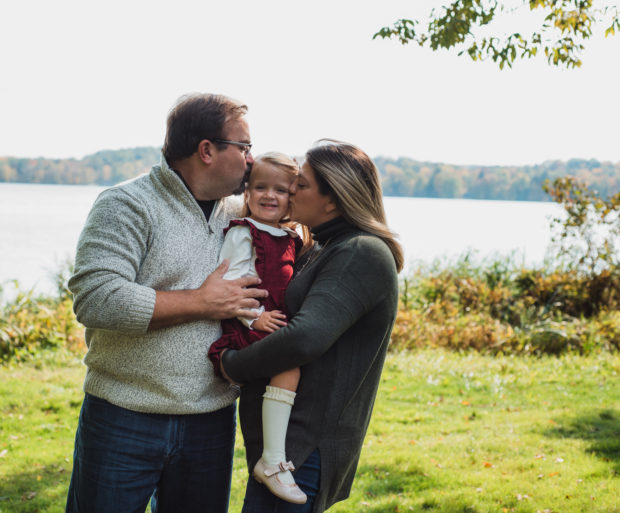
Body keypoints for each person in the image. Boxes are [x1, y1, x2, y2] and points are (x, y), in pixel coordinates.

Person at [65, 93, 268, 513]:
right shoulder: (126, 204)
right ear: (207, 150)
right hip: (123, 417)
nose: (252, 159)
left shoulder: (241, 214)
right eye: (244, 147)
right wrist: (202, 302)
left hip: (211, 421)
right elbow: (97, 298)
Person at [221, 140, 404, 513]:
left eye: (300, 185)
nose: (290, 192)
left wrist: (230, 365)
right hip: (282, 444)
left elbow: (304, 339)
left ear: (332, 200)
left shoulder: (360, 252)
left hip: (304, 448)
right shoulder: (324, 246)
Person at [207, 152, 308, 504]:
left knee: (293, 370)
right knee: (289, 364)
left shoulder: (288, 236)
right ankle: (273, 460)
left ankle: (274, 455)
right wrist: (255, 317)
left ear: (292, 198)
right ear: (246, 193)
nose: (269, 196)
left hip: (271, 323)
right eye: (260, 187)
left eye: (280, 190)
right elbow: (231, 284)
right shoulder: (244, 233)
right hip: (248, 325)